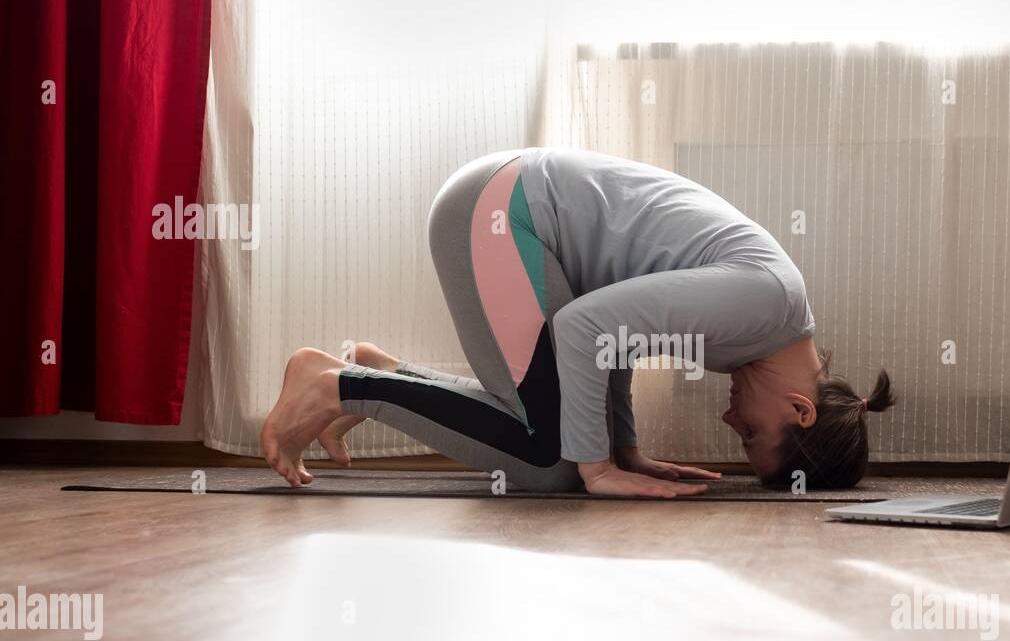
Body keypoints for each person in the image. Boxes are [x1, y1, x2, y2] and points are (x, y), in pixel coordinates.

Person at [261, 148, 893, 497]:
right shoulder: (766, 304)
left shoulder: (763, 327)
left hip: (519, 218)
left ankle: (386, 375)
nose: (731, 422)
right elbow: (586, 328)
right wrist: (597, 468)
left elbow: (616, 331)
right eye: (752, 432)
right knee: (550, 464)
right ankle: (339, 385)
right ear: (800, 409)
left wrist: (624, 453)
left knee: (565, 454)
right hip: (501, 213)